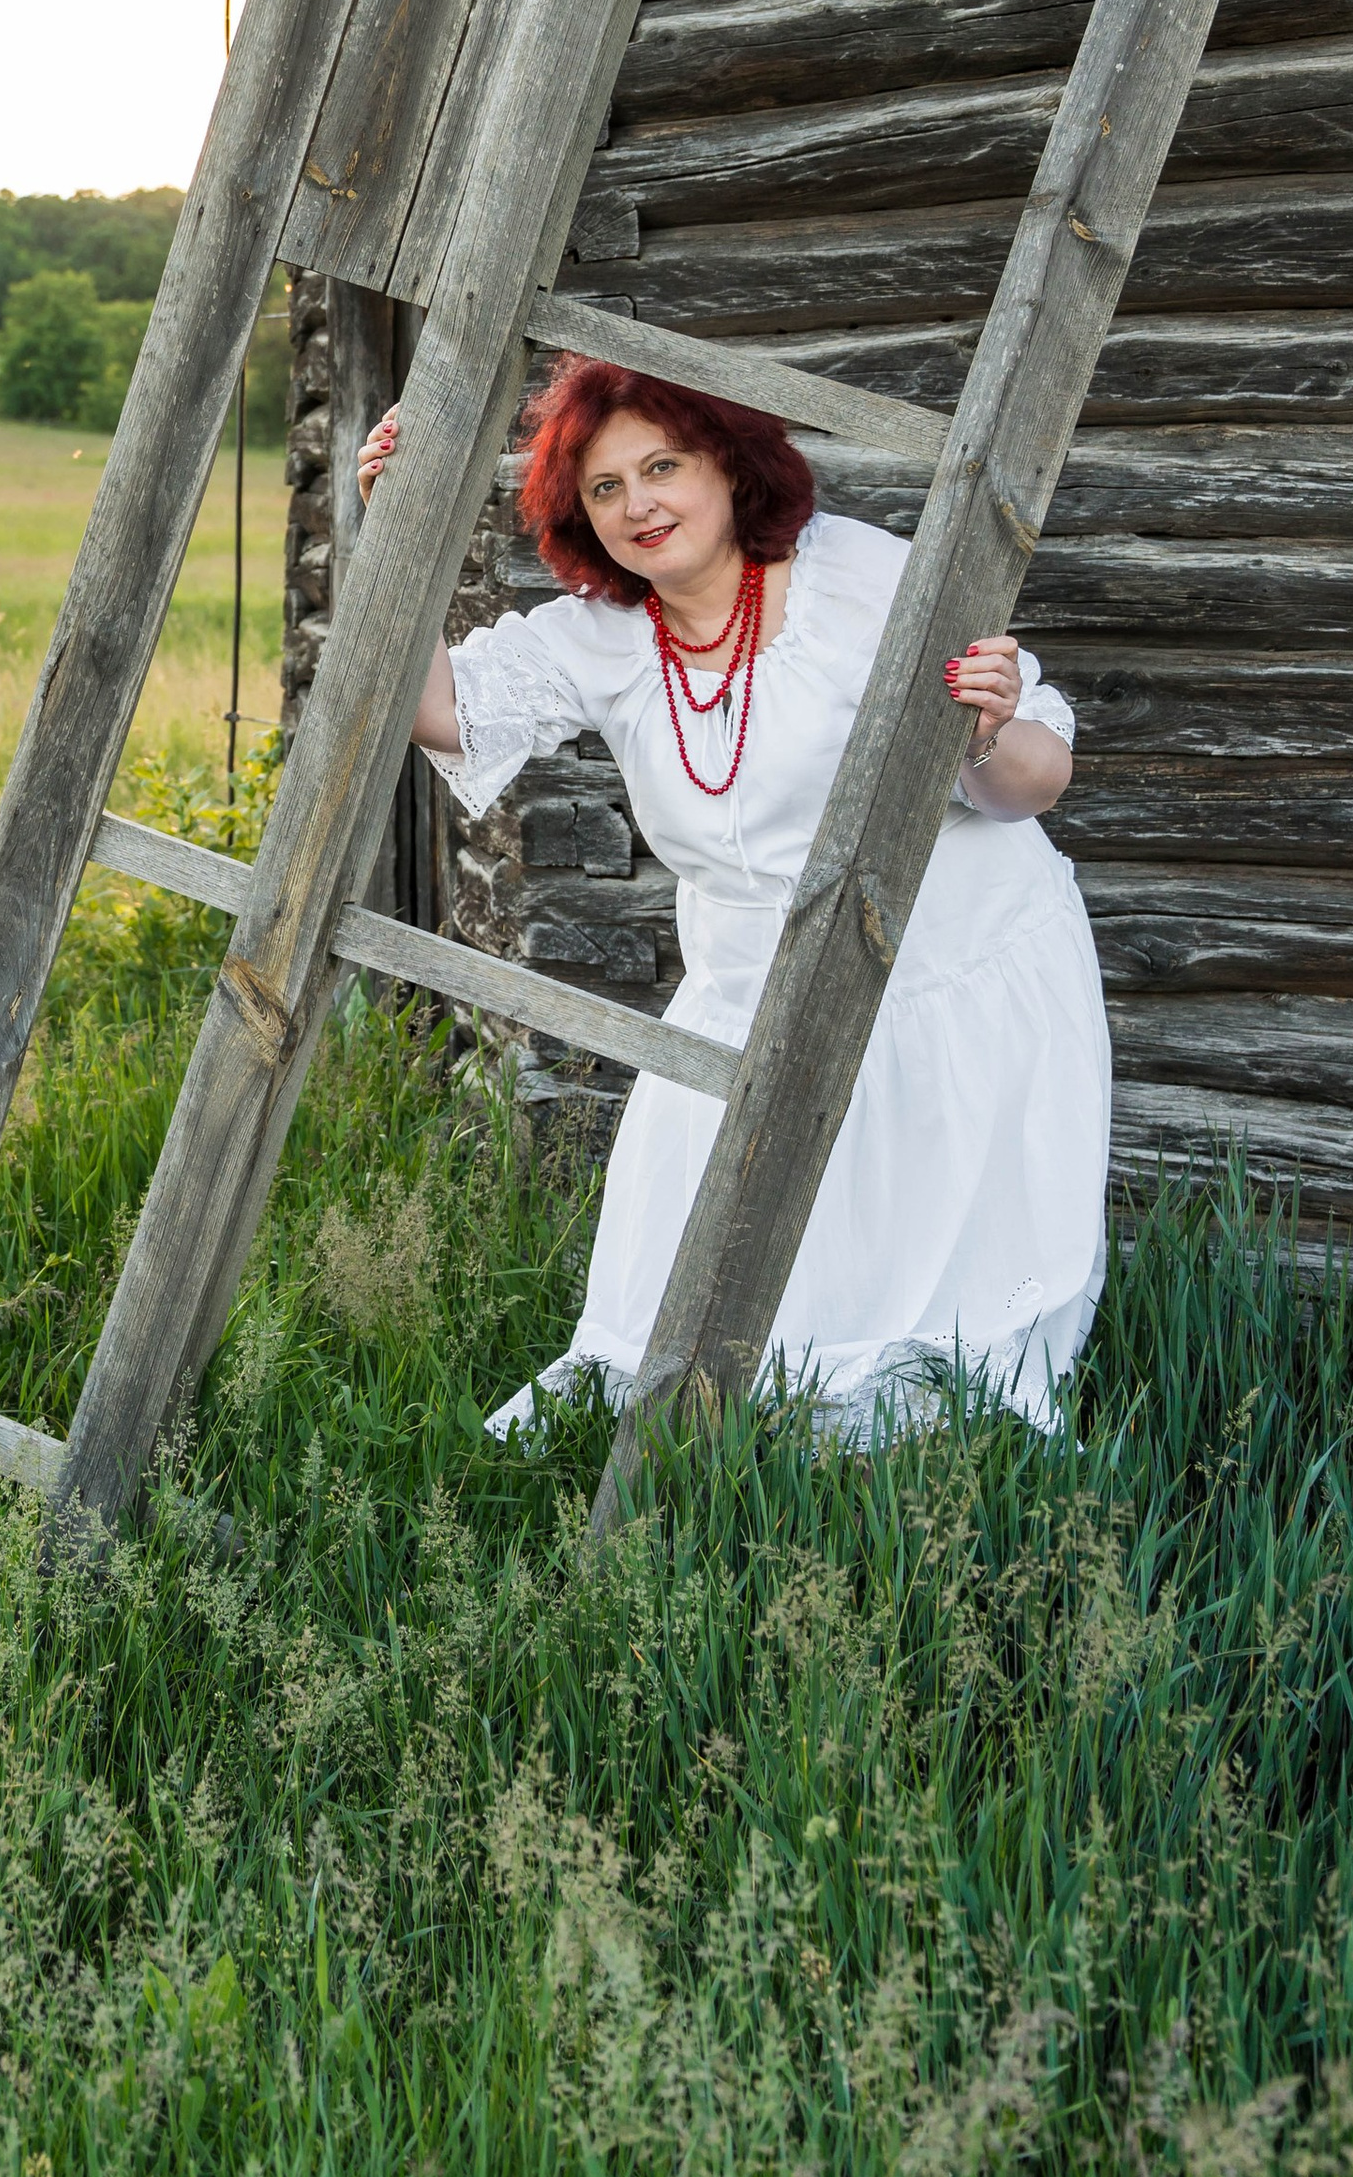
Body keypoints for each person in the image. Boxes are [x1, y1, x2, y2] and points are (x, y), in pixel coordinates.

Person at [360, 357, 1111, 1441]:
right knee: (677, 1277)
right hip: (743, 984)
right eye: (605, 488)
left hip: (954, 968)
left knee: (929, 1284)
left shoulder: (856, 576)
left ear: (727, 464)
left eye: (661, 466)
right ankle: (713, 1457)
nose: (638, 506)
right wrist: (400, 528)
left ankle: (915, 1475)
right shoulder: (602, 636)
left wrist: (987, 732)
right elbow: (442, 713)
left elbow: (1032, 782)